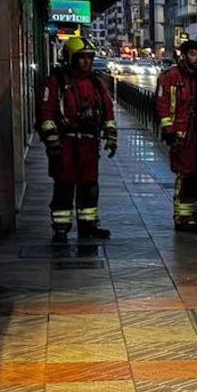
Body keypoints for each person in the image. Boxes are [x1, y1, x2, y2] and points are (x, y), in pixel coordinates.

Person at [38, 36, 117, 243]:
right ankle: (61, 228)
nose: (86, 62)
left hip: (89, 143)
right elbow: (46, 111)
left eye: (89, 58)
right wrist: (52, 139)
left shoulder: (96, 82)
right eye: (81, 58)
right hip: (65, 142)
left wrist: (111, 136)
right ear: (71, 58)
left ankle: (88, 225)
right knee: (64, 187)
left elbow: (108, 110)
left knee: (90, 187)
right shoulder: (57, 81)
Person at [156, 39, 197, 232]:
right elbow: (163, 103)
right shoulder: (171, 76)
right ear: (183, 55)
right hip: (182, 133)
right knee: (186, 174)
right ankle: (182, 218)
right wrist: (169, 130)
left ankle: (191, 214)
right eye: (193, 54)